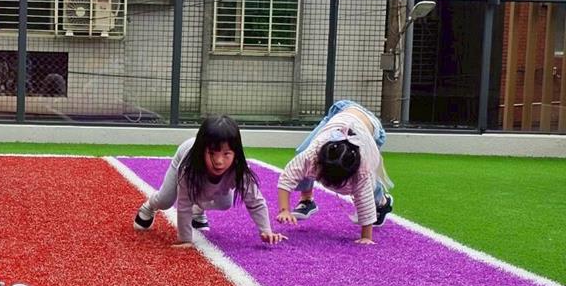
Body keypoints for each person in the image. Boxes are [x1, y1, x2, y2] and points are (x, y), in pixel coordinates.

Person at [133, 115, 287, 247]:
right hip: (186, 156)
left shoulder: (240, 170)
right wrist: (185, 239)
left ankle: (198, 210)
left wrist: (266, 230)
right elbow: (184, 204)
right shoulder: (188, 166)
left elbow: (255, 201)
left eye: (226, 154)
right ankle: (149, 206)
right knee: (165, 200)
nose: (219, 161)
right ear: (202, 151)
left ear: (235, 153)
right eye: (212, 153)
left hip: (209, 183)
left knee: (225, 203)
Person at [275, 99, 395, 245]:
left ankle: (382, 203)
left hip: (372, 128)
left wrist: (366, 237)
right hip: (340, 111)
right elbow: (287, 177)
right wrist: (284, 210)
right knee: (301, 153)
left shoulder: (361, 169)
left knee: (367, 183)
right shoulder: (311, 154)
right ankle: (307, 200)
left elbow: (365, 200)